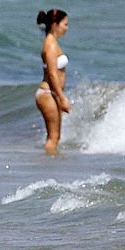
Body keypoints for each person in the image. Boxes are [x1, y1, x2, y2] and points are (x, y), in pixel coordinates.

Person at [34, 10, 71, 155]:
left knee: (55, 137)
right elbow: (52, 73)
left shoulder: (53, 43)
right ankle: (49, 164)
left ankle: (51, 163)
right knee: (53, 138)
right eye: (65, 24)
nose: (67, 28)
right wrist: (62, 98)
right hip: (48, 93)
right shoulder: (50, 45)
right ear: (55, 25)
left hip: (52, 93)